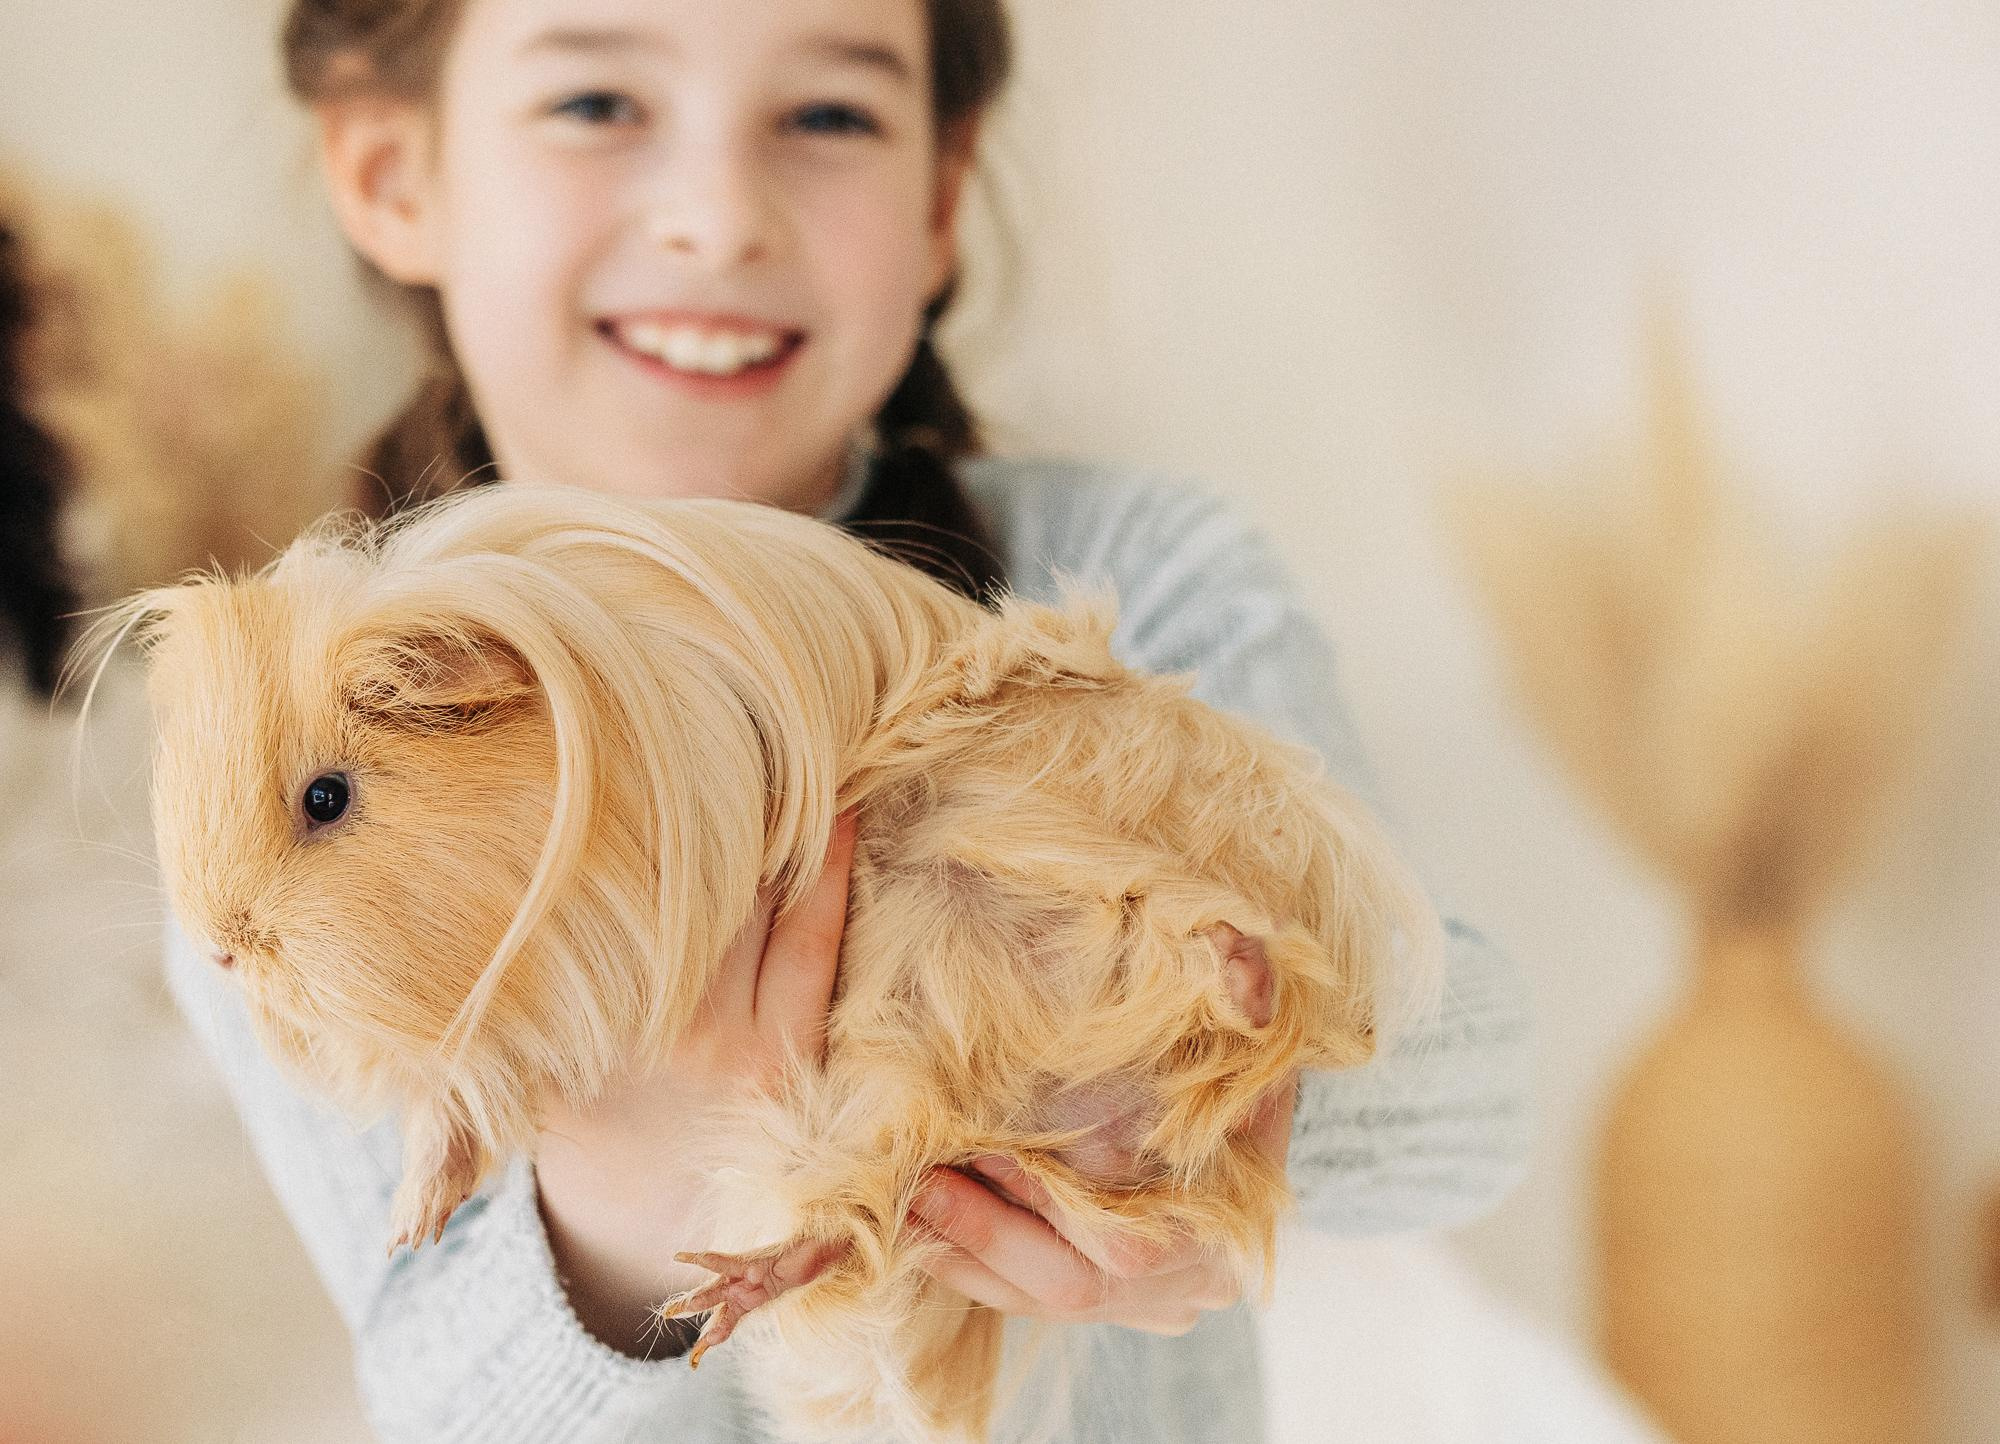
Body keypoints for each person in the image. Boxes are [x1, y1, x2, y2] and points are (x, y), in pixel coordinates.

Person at [164, 0, 1535, 1439]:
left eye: (827, 116)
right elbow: (441, 1400)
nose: (716, 217)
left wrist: (1217, 1099)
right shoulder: (276, 785)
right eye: (595, 105)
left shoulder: (1142, 570)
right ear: (396, 175)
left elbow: (1478, 1079)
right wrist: (636, 1196)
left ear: (941, 200)